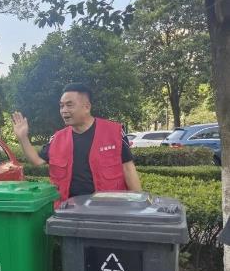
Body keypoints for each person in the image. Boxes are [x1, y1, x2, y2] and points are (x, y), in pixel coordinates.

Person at [12, 83, 141, 206]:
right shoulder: (57, 139)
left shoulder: (114, 132)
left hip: (109, 209)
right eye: (61, 106)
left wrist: (139, 204)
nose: (64, 110)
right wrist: (23, 137)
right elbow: (36, 160)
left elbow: (128, 169)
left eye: (69, 105)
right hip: (69, 210)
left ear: (87, 107)